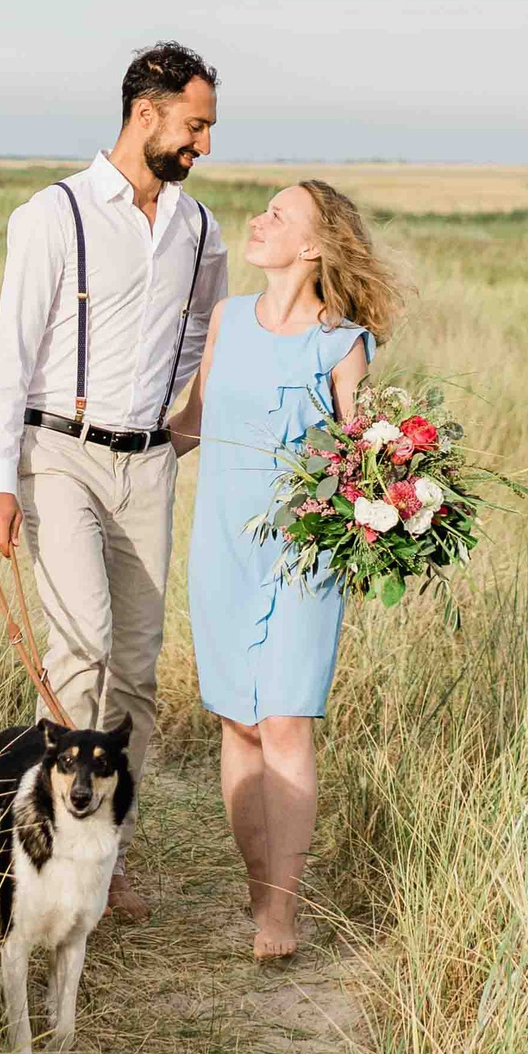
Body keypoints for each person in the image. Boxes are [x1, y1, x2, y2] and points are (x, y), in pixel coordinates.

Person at [0, 42, 228, 923]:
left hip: (149, 464)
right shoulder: (55, 214)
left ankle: (107, 848)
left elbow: (200, 338)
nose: (202, 145)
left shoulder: (201, 230)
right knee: (75, 655)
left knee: (136, 673)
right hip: (61, 456)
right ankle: (52, 860)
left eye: (208, 129)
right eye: (194, 125)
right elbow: (10, 350)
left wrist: (174, 432)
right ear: (145, 113)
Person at [168, 180, 404, 960]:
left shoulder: (343, 342)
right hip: (223, 547)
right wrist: (107, 460)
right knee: (237, 719)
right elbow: (193, 423)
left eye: (280, 215)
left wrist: (399, 509)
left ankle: (282, 913)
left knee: (286, 720)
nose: (259, 221)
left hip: (305, 555)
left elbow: (367, 452)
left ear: (313, 246)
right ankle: (259, 879)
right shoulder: (227, 319)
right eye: (264, 209)